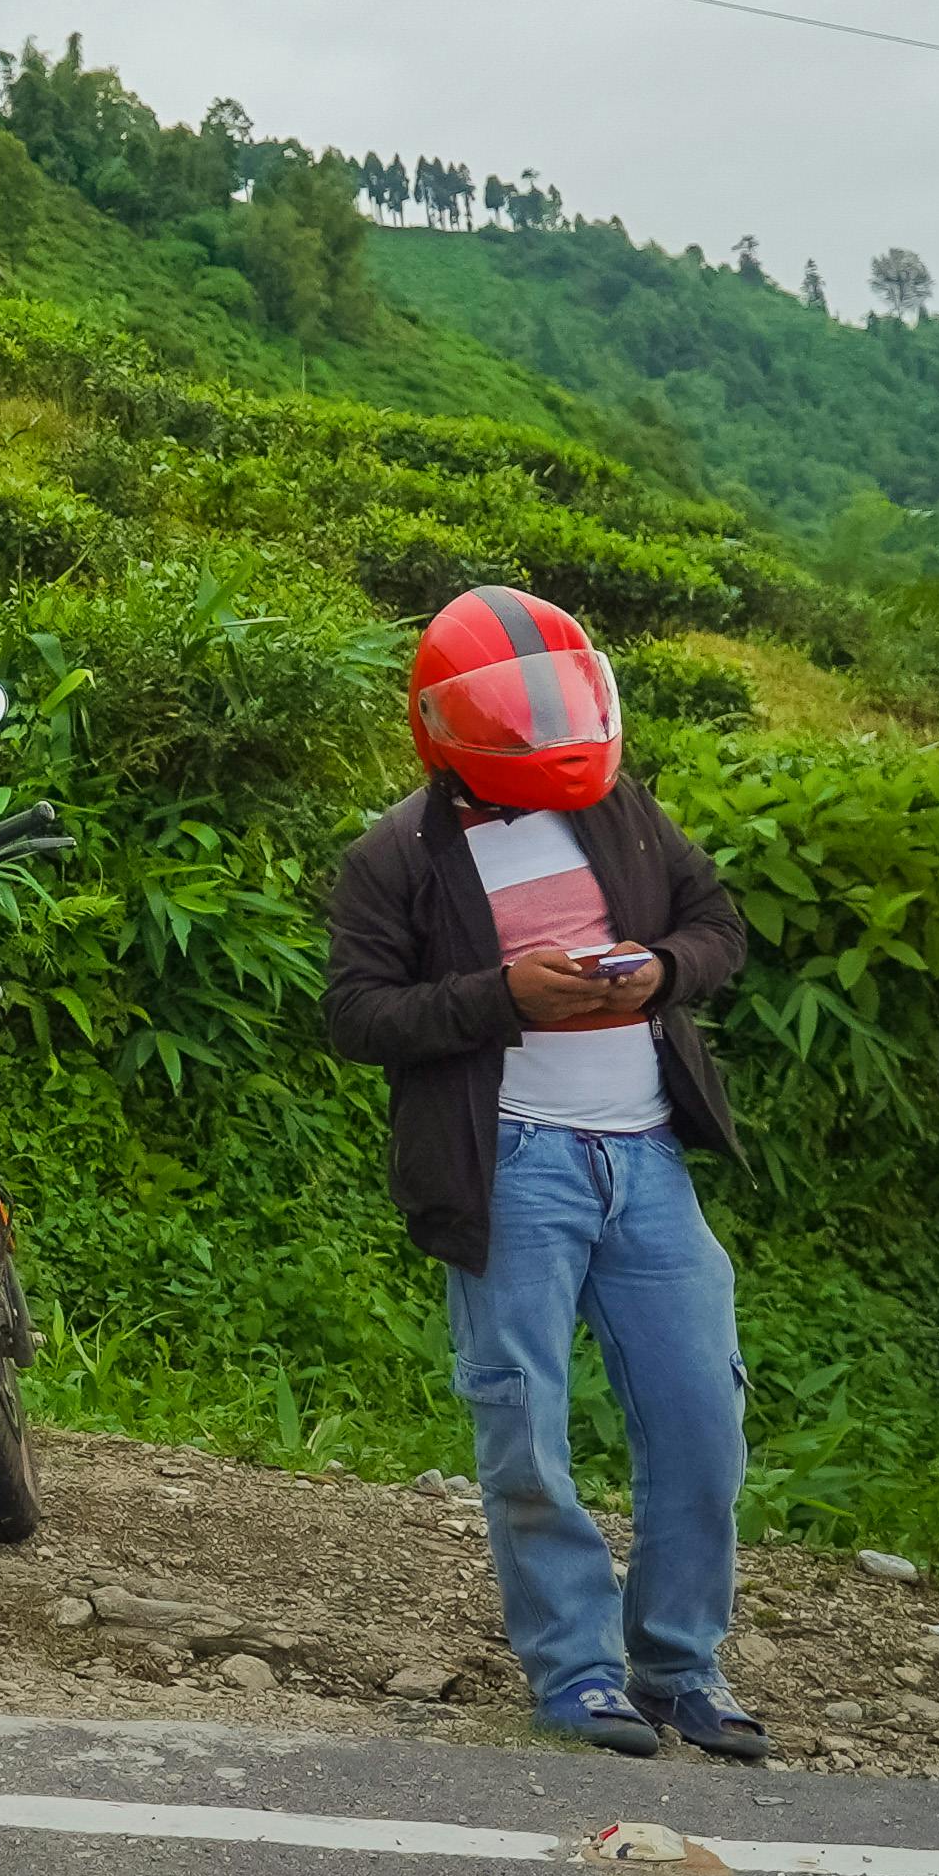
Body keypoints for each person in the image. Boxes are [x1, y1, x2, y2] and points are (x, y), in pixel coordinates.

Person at [322, 585, 765, 1760]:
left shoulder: (619, 807)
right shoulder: (395, 853)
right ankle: (576, 1668)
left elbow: (716, 921)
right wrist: (505, 998)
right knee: (523, 1425)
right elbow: (358, 1015)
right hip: (509, 1161)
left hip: (647, 1156)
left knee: (701, 1416)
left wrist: (660, 970)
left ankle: (678, 1664)